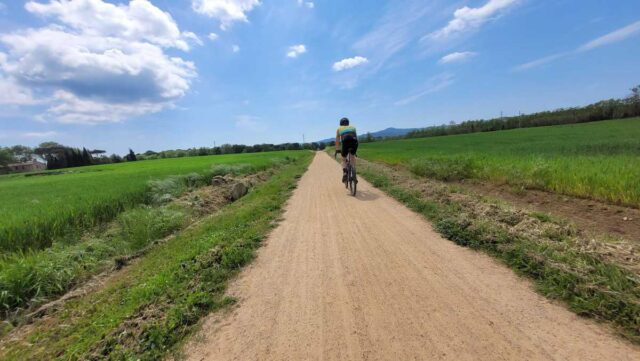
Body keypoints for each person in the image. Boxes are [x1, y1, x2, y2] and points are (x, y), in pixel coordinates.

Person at [335, 117, 358, 183]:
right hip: (354, 142)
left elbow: (337, 140)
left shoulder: (339, 129)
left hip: (345, 142)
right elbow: (356, 138)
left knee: (343, 158)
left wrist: (337, 149)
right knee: (352, 156)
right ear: (348, 123)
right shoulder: (353, 128)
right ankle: (354, 174)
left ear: (340, 124)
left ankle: (345, 173)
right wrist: (355, 151)